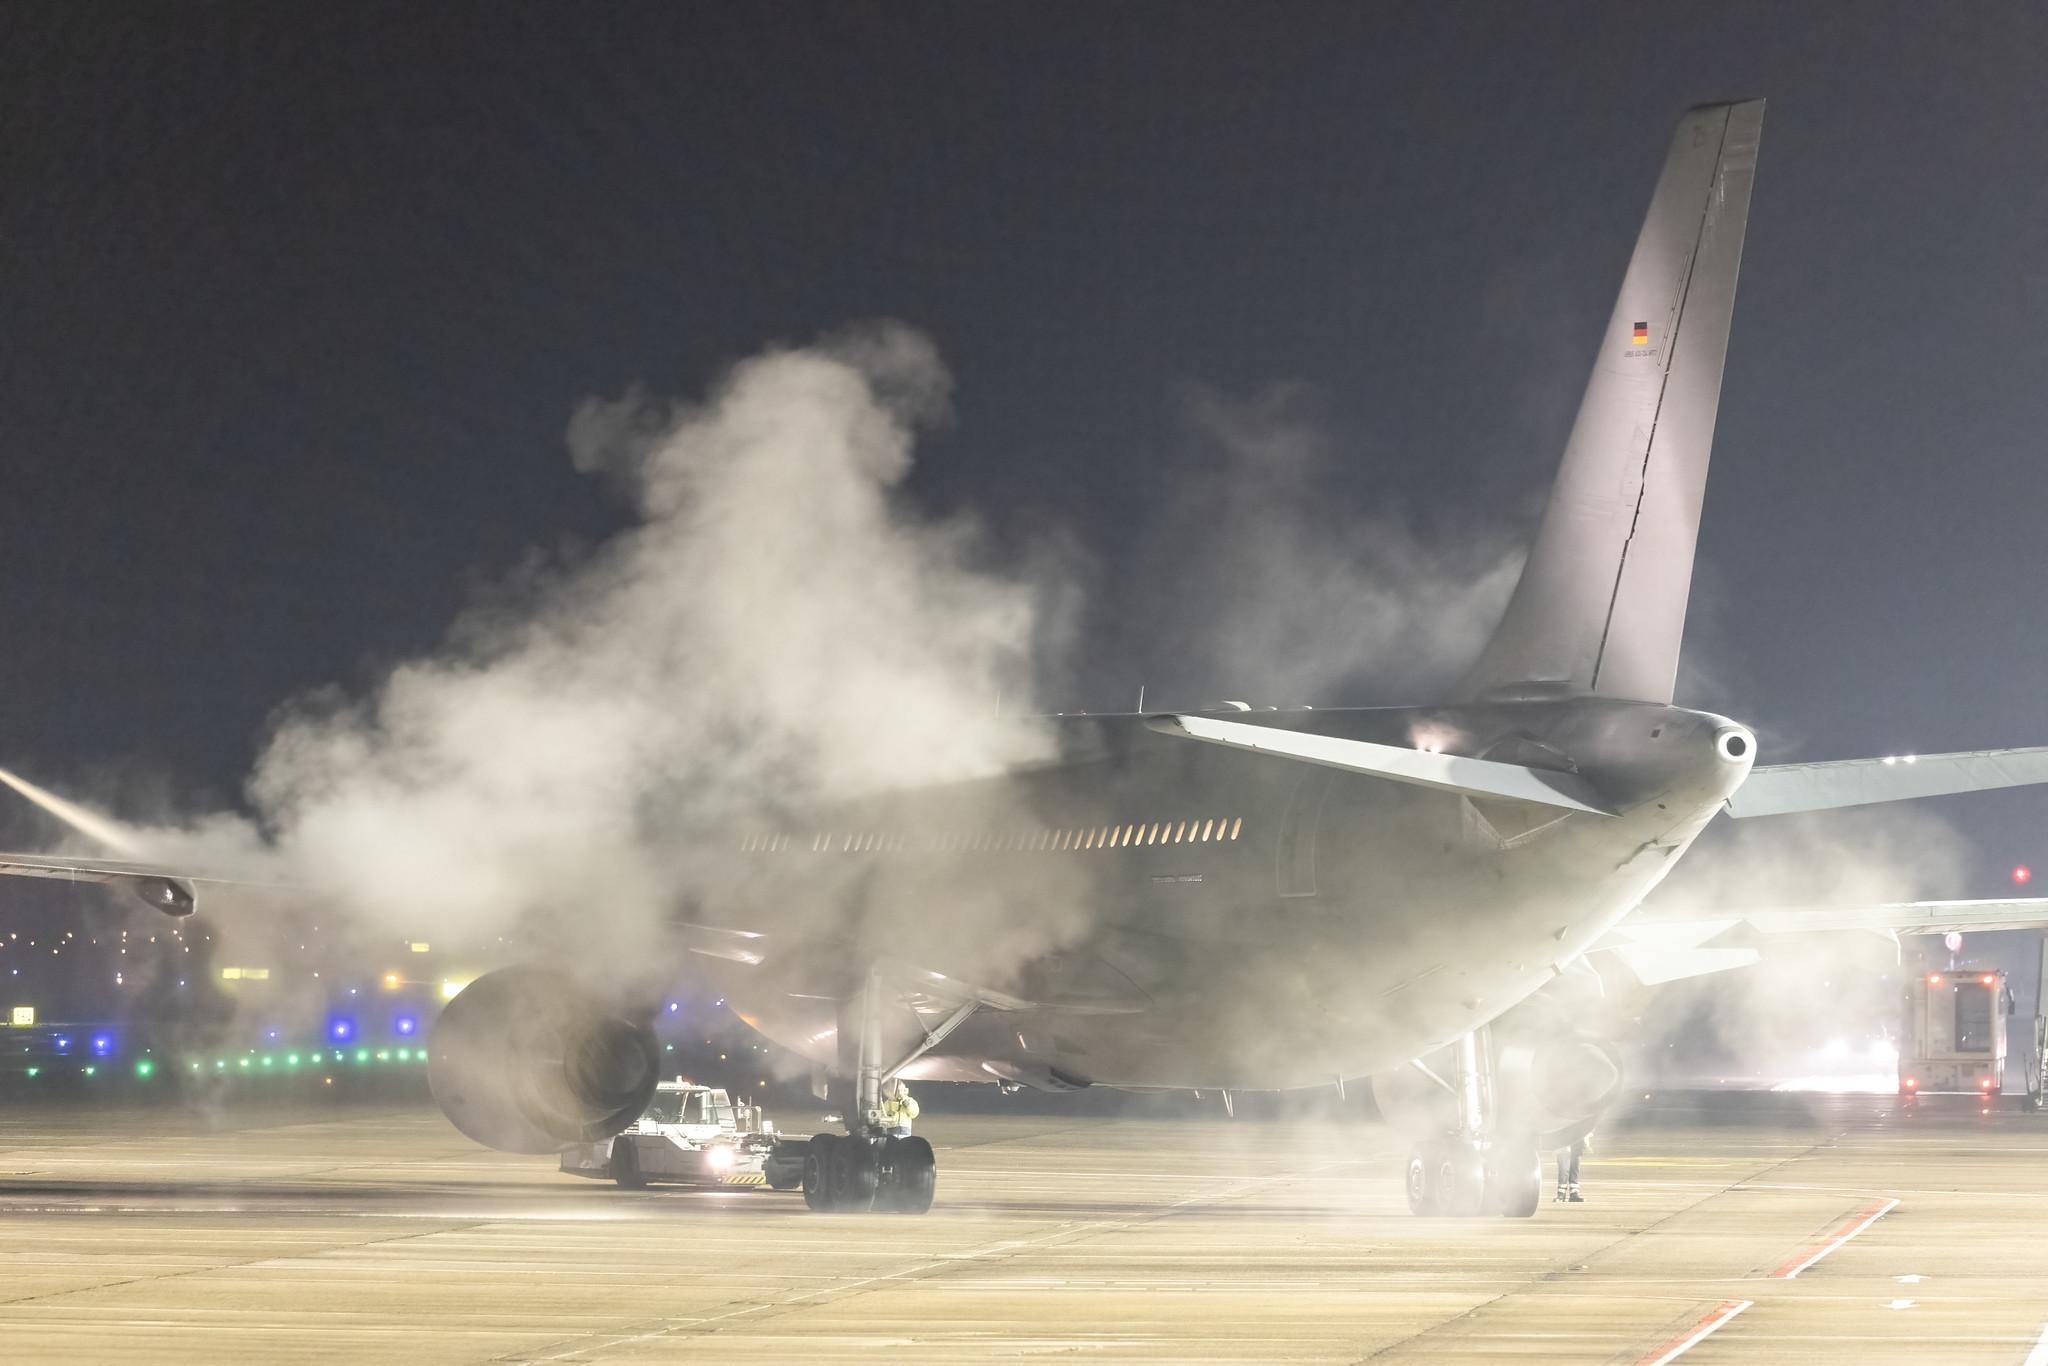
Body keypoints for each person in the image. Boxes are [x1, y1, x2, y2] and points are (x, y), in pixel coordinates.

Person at [1555, 1132, 1590, 1202]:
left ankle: (1574, 1193)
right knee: (1564, 1168)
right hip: (1564, 1139)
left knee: (1575, 1168)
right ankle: (1561, 1193)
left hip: (1577, 1140)